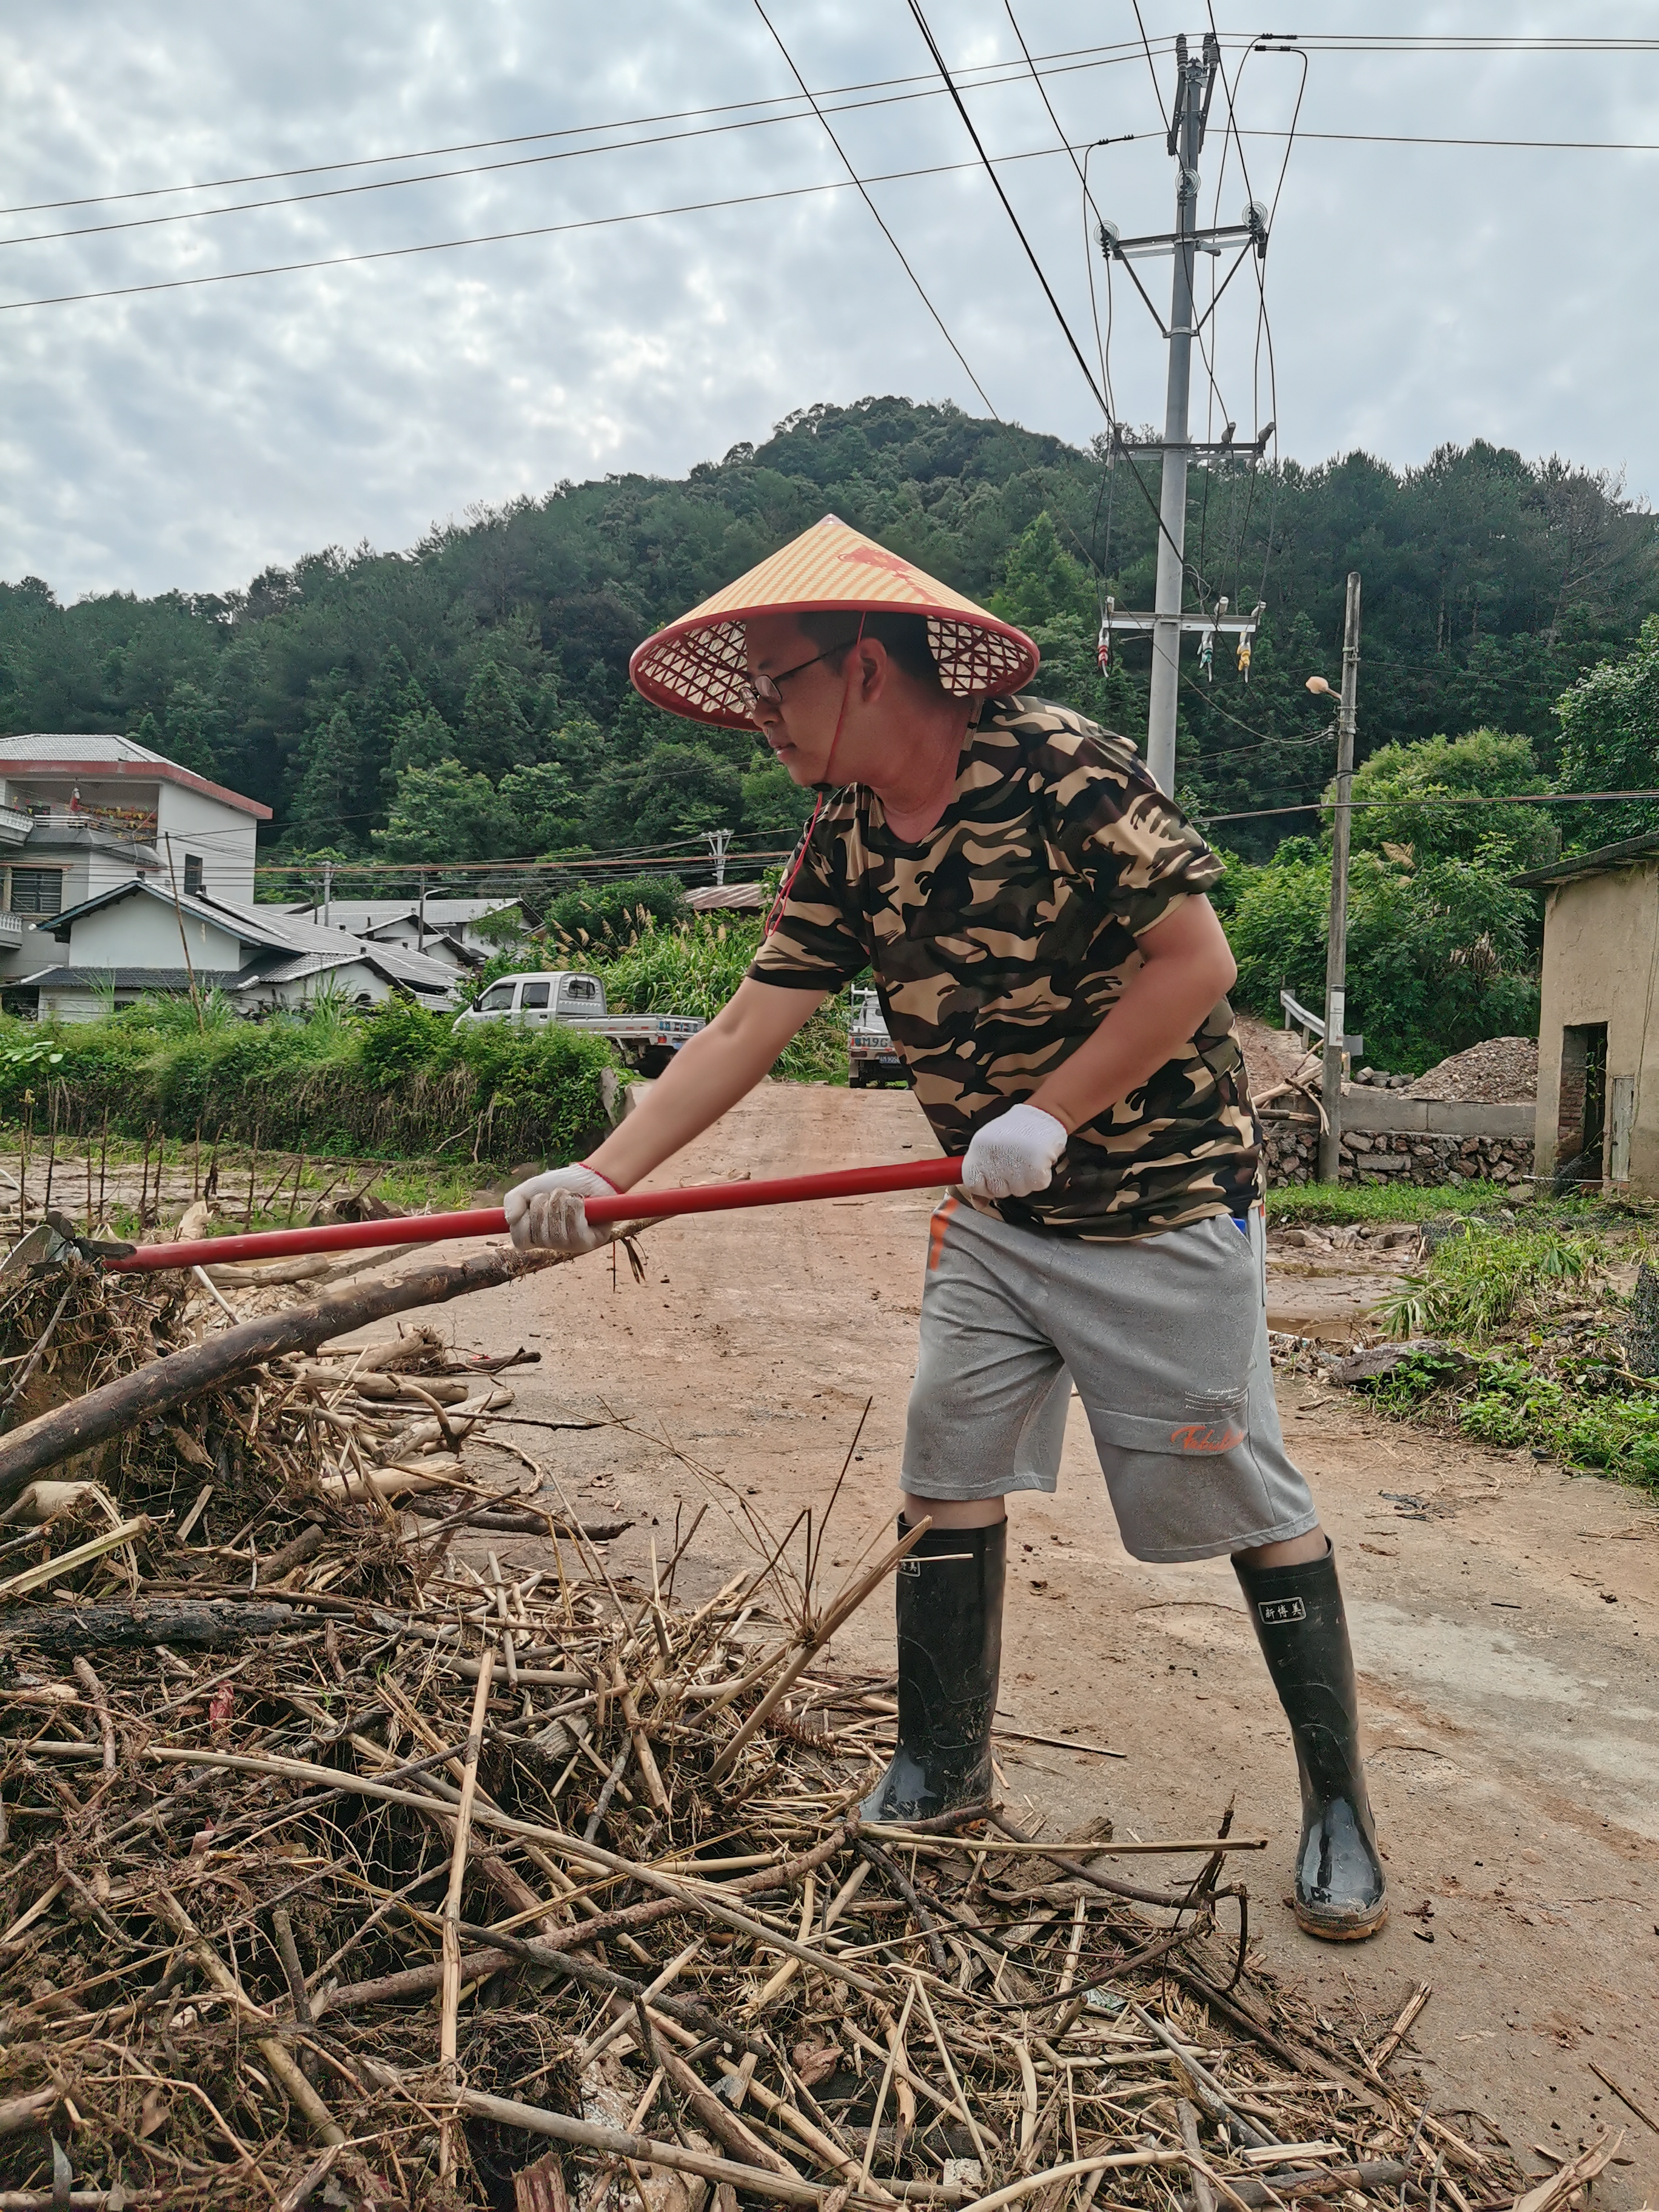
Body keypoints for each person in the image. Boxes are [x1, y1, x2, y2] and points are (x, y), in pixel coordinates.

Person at [508, 516, 1387, 1942]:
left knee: (1237, 1495)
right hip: (992, 1225)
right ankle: (941, 1766)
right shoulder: (846, 833)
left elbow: (1196, 964)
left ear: (864, 667)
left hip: (1157, 1206)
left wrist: (1048, 1113)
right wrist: (605, 1175)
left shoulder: (1059, 767)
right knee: (946, 1457)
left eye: (777, 687)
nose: (764, 722)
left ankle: (1340, 1803)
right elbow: (750, 1021)